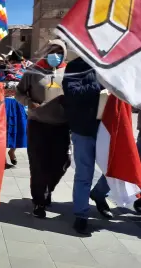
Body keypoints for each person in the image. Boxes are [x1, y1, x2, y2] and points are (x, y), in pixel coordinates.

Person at [15, 40, 71, 219]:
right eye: (51, 51)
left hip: (62, 126)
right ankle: (38, 200)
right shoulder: (32, 72)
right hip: (38, 124)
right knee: (38, 165)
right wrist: (28, 102)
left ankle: (48, 189)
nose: (55, 54)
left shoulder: (69, 72)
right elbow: (19, 92)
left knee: (62, 163)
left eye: (59, 51)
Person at [62, 57, 115, 234]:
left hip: (109, 129)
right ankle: (81, 215)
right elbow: (72, 93)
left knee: (114, 170)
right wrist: (100, 83)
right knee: (84, 173)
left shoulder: (114, 63)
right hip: (84, 129)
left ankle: (99, 194)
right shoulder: (76, 66)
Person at [0, 55, 27, 169]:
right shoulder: (0, 74)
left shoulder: (24, 74)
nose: (14, 64)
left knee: (20, 129)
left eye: (17, 61)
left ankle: (12, 151)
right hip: (4, 105)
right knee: (3, 131)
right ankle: (3, 160)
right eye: (12, 61)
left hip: (18, 104)